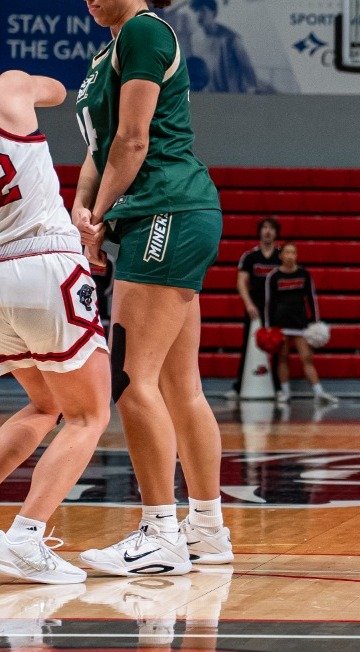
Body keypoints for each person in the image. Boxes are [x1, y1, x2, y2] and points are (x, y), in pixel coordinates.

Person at [71, 0, 232, 576]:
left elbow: (134, 142)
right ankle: (207, 529)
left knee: (129, 378)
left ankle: (160, 531)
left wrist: (99, 213)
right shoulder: (106, 52)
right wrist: (83, 217)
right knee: (177, 384)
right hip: (160, 213)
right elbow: (101, 149)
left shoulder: (143, 31)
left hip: (167, 208)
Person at [0, 71, 111, 585]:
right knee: (89, 415)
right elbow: (62, 91)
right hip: (46, 263)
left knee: (46, 404)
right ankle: (25, 537)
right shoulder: (10, 88)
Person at [264, 242, 337, 404]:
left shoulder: (304, 274)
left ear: (297, 255)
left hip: (300, 323)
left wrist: (315, 322)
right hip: (281, 324)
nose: (290, 256)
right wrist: (269, 326)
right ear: (281, 255)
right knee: (282, 358)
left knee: (307, 358)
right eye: (287, 253)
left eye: (293, 253)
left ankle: (319, 392)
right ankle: (285, 392)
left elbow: (312, 299)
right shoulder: (273, 276)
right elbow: (269, 303)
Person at [226, 216, 281, 400]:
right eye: (264, 227)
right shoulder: (250, 257)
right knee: (247, 346)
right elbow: (241, 282)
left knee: (278, 348)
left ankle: (279, 387)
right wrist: (248, 304)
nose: (267, 231)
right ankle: (238, 386)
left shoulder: (281, 256)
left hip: (275, 308)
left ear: (276, 232)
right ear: (259, 232)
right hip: (255, 308)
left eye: (271, 228)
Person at [187, 0, 268, 93]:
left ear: (213, 12)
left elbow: (246, 66)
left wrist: (253, 88)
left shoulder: (231, 38)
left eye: (202, 10)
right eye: (195, 11)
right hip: (209, 95)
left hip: (231, 96)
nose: (198, 15)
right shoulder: (194, 39)